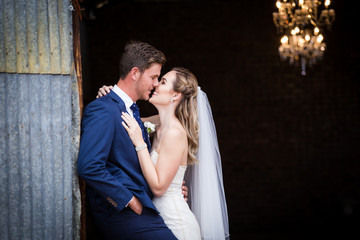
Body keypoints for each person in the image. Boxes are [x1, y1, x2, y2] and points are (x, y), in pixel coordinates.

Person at [97, 67, 230, 240]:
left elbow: (159, 187)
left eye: (163, 82)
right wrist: (109, 95)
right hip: (157, 221)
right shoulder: (159, 124)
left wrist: (140, 143)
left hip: (176, 224)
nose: (156, 85)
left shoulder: (175, 133)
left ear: (175, 95)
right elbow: (123, 118)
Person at [77, 41, 178, 240]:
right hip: (121, 214)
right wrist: (128, 200)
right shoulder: (103, 109)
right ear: (135, 73)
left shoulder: (129, 109)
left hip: (144, 208)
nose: (156, 83)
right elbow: (89, 166)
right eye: (154, 77)